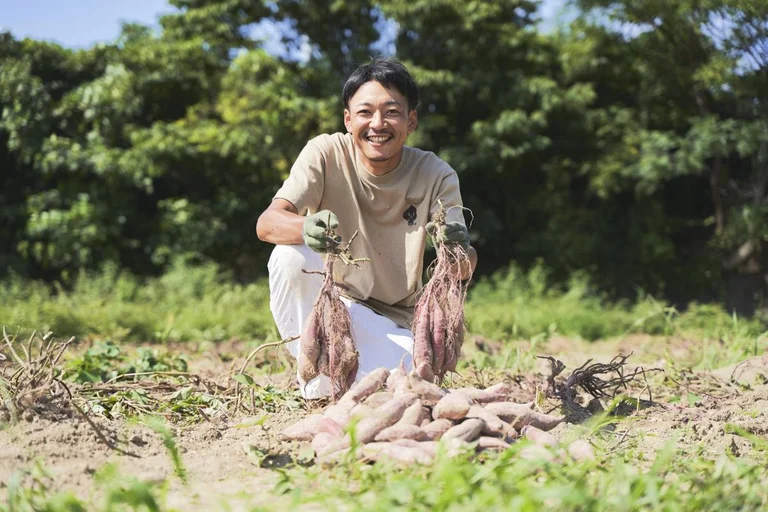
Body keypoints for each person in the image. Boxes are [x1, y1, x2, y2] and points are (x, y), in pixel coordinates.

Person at [256, 57, 478, 398]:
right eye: (365, 112)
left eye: (391, 112)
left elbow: (463, 268)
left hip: (392, 323)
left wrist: (458, 250)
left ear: (411, 120)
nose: (378, 124)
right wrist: (306, 227)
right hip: (329, 308)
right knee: (290, 257)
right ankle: (319, 382)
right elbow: (268, 223)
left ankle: (340, 383)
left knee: (411, 379)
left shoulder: (435, 174)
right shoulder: (325, 153)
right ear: (348, 119)